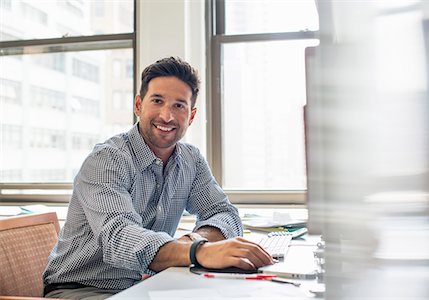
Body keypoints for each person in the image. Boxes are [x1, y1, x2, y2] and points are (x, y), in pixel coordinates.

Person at [43, 57, 273, 299]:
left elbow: (224, 213)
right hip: (83, 290)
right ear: (138, 105)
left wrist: (193, 241)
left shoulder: (191, 159)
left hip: (148, 285)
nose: (167, 116)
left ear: (191, 116)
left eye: (179, 106)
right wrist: (198, 252)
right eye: (157, 101)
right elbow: (120, 237)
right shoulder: (107, 159)